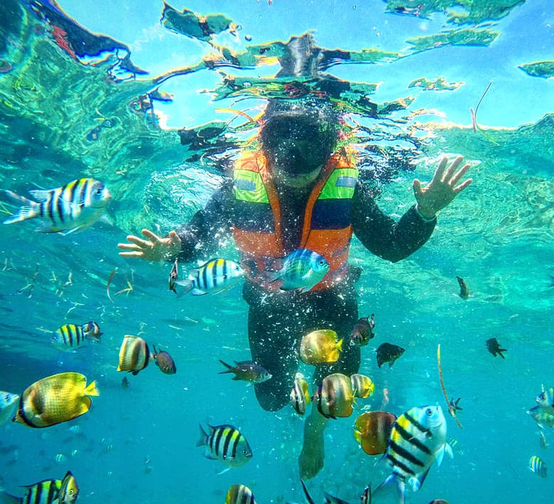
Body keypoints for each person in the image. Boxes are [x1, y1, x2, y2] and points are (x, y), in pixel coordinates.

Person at [118, 99, 472, 479]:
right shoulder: (240, 187)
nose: (295, 165)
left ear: (329, 148)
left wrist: (425, 212)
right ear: (265, 146)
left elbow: (391, 244)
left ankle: (313, 431)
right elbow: (200, 231)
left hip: (332, 301)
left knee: (336, 392)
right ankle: (297, 404)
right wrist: (173, 247)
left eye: (310, 151)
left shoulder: (348, 189)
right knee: (270, 399)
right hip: (268, 304)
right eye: (282, 146)